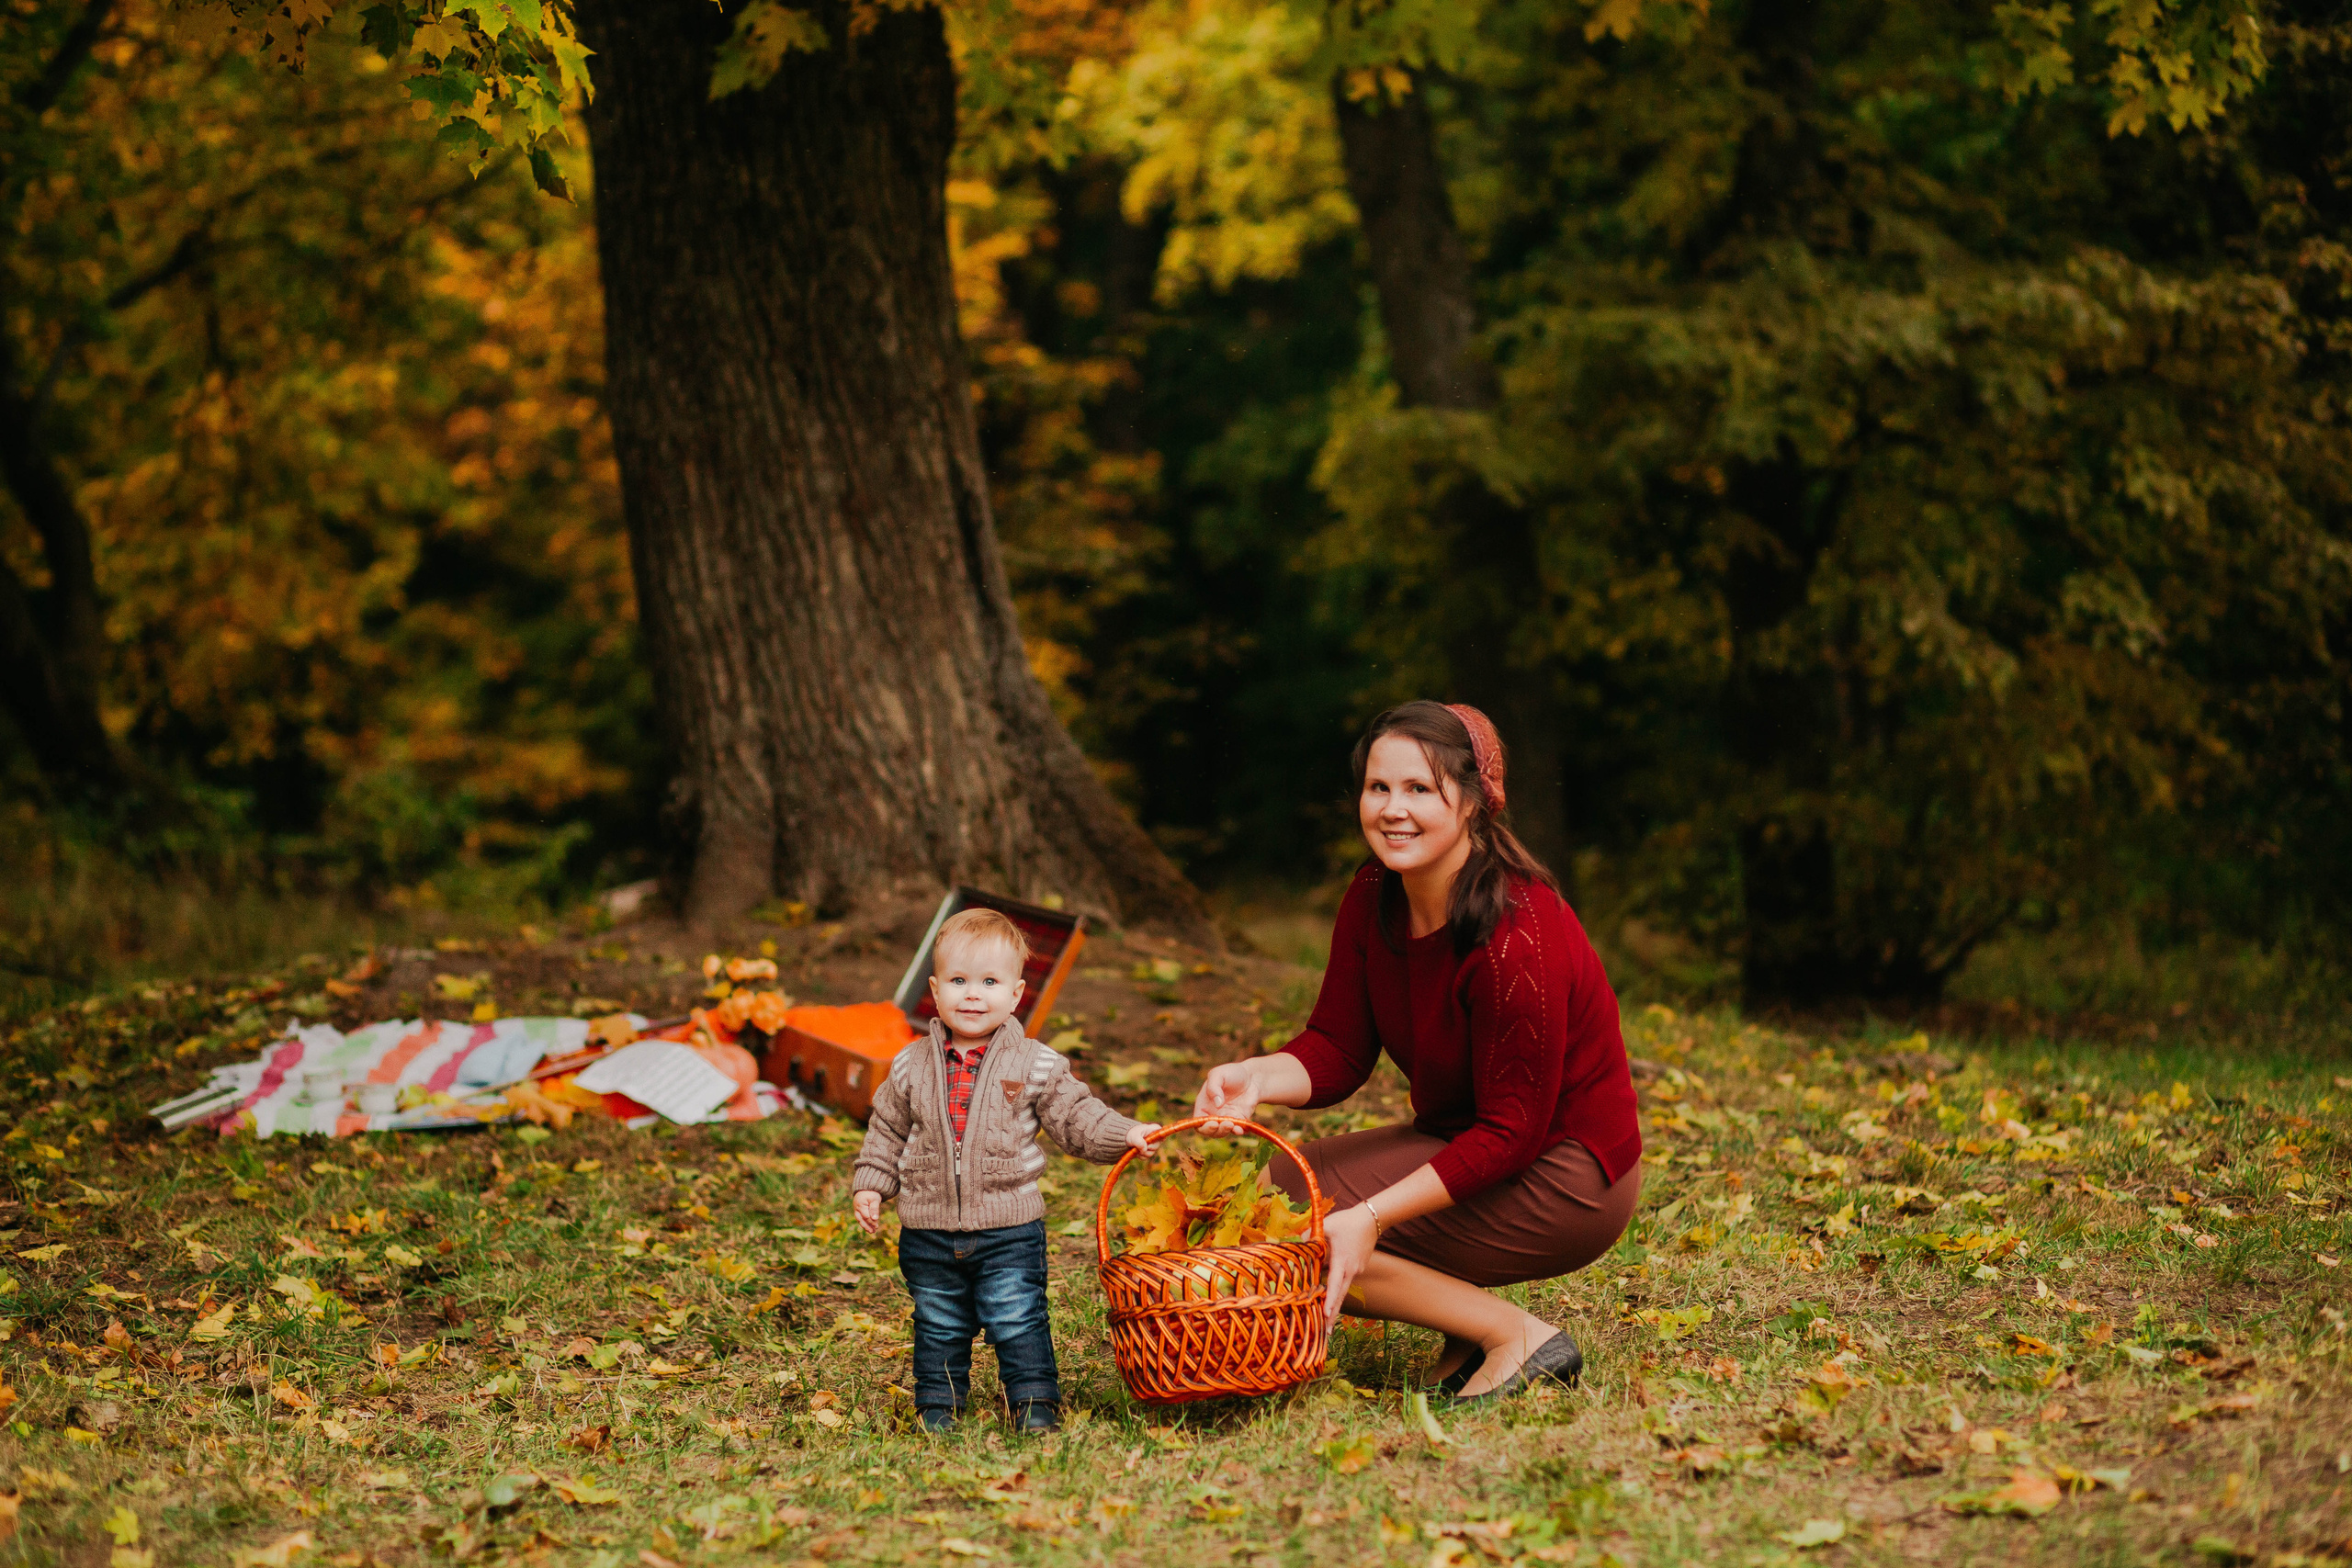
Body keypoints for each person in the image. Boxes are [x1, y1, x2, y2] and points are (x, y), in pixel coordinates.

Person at [1192, 701, 1642, 1404]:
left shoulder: (1517, 935)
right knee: (1273, 1198)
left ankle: (1517, 1336)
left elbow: (1513, 1131)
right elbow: (1338, 1049)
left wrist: (1371, 1216)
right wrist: (1253, 1076)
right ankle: (1461, 1326)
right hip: (1466, 1139)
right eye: (1379, 788)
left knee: (1315, 1230)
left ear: (1471, 801)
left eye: (1419, 789)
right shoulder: (1376, 894)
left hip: (1569, 1172)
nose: (1393, 809)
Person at [853, 908, 1159, 1432]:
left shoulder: (1035, 1064)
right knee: (938, 1322)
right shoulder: (910, 1064)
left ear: (1016, 995)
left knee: (1016, 1317)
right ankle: (938, 1408)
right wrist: (872, 1184)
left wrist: (1124, 1133)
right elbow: (887, 1130)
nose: (973, 995)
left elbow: (1076, 1115)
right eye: (959, 981)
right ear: (934, 989)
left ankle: (1034, 1404)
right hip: (927, 1229)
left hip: (1008, 1229)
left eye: (989, 982)